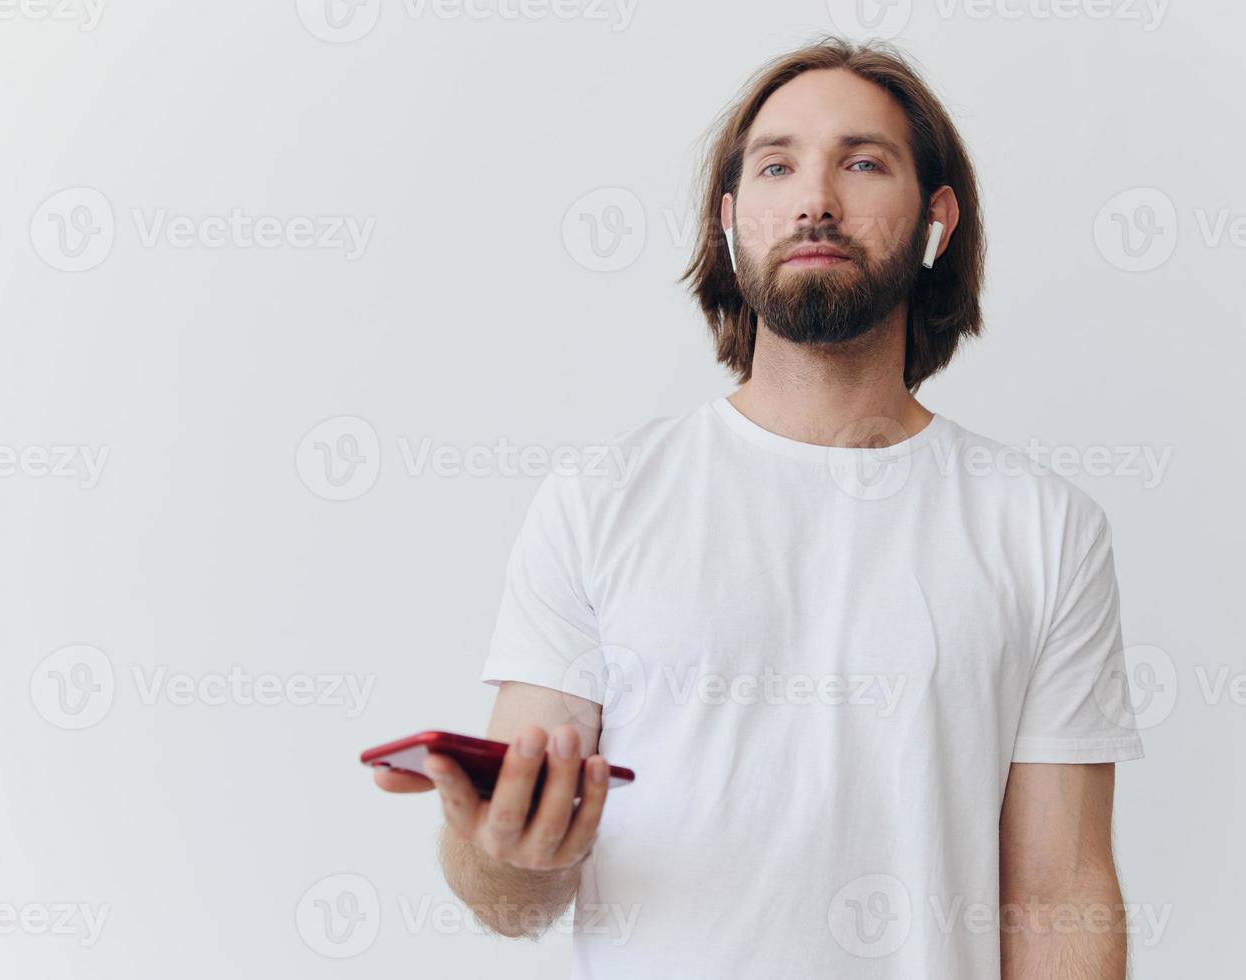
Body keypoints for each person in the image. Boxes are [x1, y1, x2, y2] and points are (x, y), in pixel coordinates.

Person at [375, 34, 1144, 979]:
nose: (817, 198)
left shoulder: (1044, 528)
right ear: (733, 220)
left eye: (863, 163)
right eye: (779, 165)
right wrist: (502, 850)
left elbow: (1061, 895)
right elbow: (511, 891)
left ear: (937, 219)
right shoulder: (602, 500)